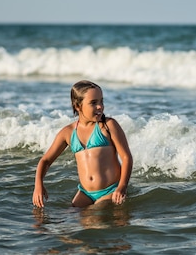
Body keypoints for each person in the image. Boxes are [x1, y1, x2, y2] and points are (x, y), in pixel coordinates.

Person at [32, 80, 133, 208]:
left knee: (93, 217)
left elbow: (126, 157)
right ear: (78, 106)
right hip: (85, 193)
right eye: (93, 103)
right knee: (59, 219)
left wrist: (122, 187)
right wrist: (38, 185)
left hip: (111, 190)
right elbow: (45, 161)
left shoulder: (108, 126)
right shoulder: (68, 133)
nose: (100, 106)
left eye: (101, 101)